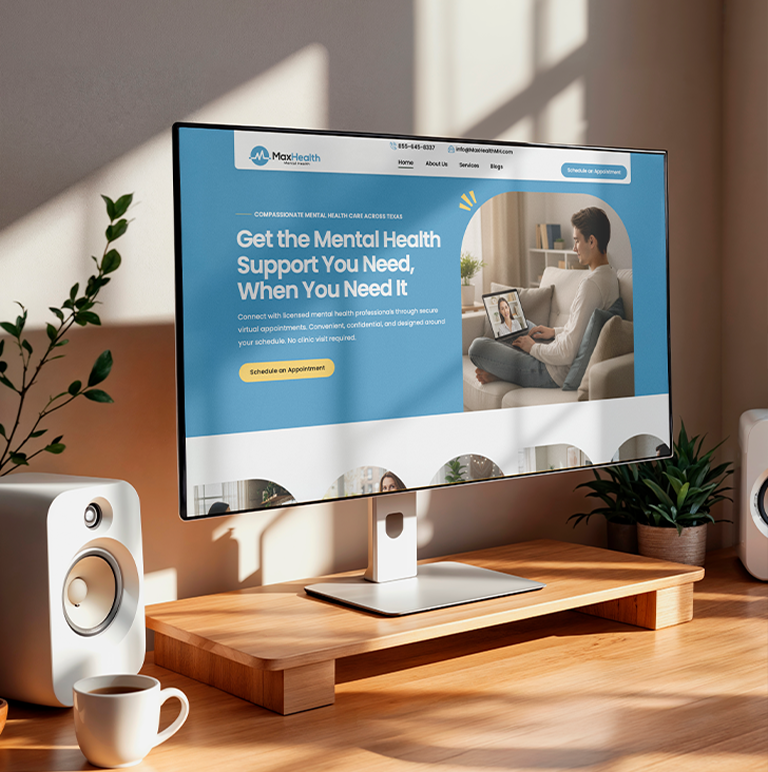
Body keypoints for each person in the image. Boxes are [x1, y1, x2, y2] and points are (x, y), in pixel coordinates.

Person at [469, 207, 620, 388]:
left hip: (553, 371)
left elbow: (567, 353)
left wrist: (532, 347)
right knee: (521, 324)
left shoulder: (591, 285)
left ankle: (503, 370)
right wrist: (554, 332)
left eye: (577, 241)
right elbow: (581, 330)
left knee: (478, 347)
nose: (574, 248)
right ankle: (505, 366)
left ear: (592, 241)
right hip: (556, 351)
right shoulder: (610, 275)